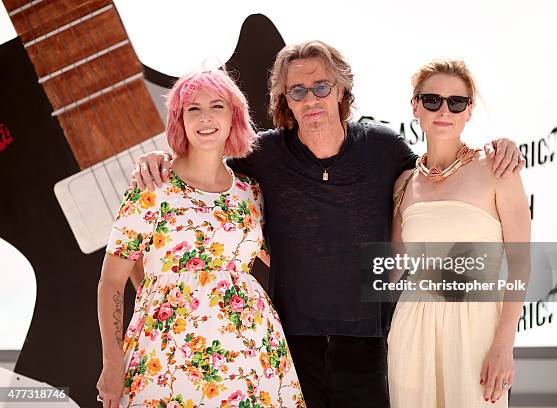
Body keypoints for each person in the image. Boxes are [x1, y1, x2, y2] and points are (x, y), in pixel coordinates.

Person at [131, 40, 525, 407]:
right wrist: (161, 159)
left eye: (321, 87)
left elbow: (440, 179)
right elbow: (203, 174)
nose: (311, 99)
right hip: (288, 343)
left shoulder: (385, 148)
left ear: (341, 91)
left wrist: (499, 148)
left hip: (372, 343)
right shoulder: (262, 155)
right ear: (286, 100)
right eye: (297, 91)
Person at [96, 69, 304, 408]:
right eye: (193, 108)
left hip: (250, 356)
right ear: (179, 120)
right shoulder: (152, 185)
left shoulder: (251, 193)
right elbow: (111, 284)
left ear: (233, 116)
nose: (205, 117)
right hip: (164, 356)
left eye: (217, 106)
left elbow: (287, 262)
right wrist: (112, 362)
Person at [387, 59, 530, 407]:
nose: (444, 110)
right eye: (432, 99)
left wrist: (504, 344)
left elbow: (522, 265)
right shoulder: (405, 183)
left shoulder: (498, 169)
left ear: (469, 111)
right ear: (415, 106)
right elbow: (391, 269)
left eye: (457, 102)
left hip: (477, 328)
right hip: (412, 327)